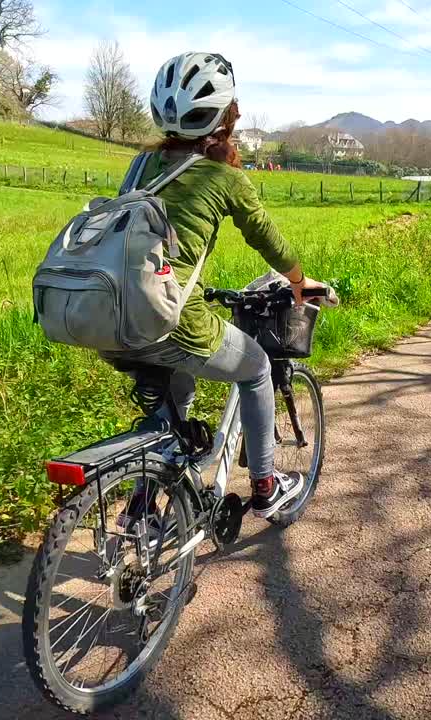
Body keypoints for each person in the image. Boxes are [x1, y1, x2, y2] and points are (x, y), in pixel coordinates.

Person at [102, 51, 327, 519]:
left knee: (176, 390)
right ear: (226, 114)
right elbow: (265, 235)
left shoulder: (141, 165)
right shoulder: (224, 176)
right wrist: (299, 281)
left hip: (114, 318)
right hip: (172, 318)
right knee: (257, 367)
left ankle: (144, 501)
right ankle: (265, 485)